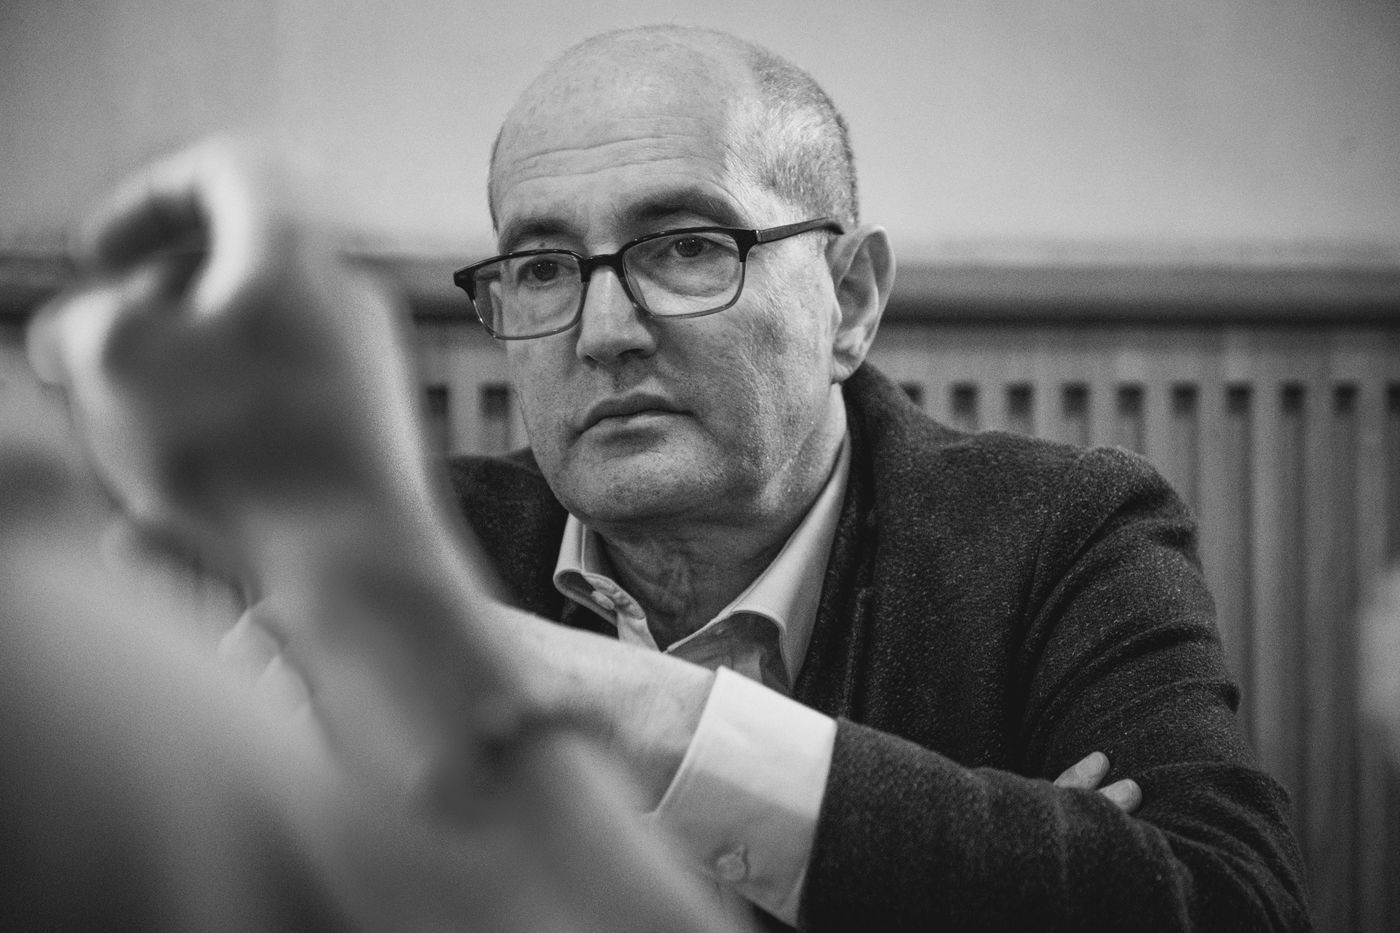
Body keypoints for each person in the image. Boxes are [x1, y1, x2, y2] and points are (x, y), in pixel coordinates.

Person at [24, 23, 1310, 933]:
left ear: (850, 299)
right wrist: (996, 861)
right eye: (540, 269)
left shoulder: (1059, 528)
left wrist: (584, 698)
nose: (602, 331)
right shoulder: (432, 542)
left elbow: (1220, 906)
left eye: (686, 247)